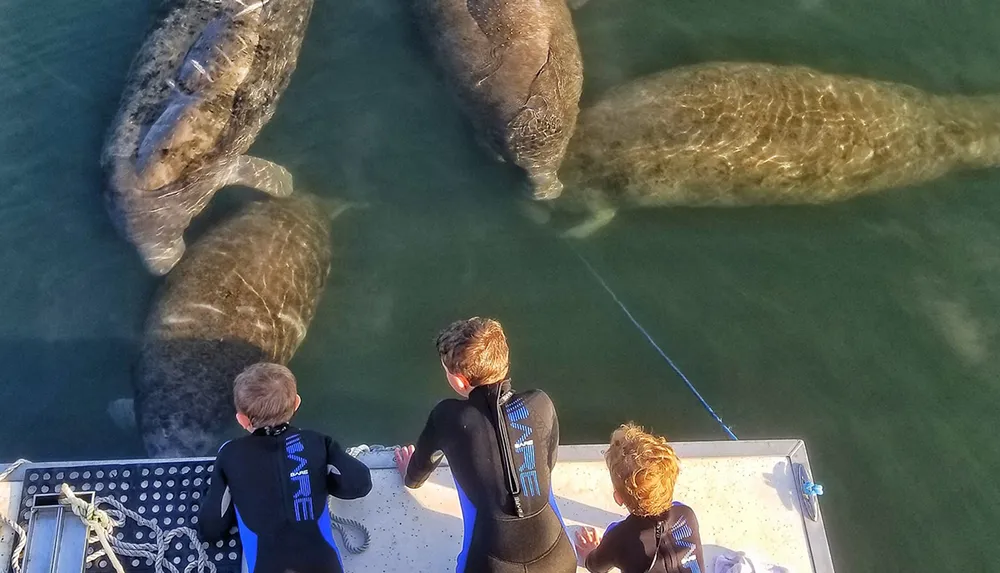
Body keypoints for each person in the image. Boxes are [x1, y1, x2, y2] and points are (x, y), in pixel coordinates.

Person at [394, 317, 576, 573]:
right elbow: (548, 463)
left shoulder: (448, 416)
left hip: (491, 565)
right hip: (560, 559)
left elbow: (417, 473)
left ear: (458, 381)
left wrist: (409, 476)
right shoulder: (541, 402)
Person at [198, 363, 373, 573]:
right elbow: (360, 484)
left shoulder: (230, 453)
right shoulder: (317, 443)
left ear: (241, 420)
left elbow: (211, 528)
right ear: (297, 402)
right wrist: (318, 477)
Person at [574, 424, 705, 573]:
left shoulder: (619, 538)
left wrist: (590, 556)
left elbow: (596, 567)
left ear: (618, 498)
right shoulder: (686, 514)